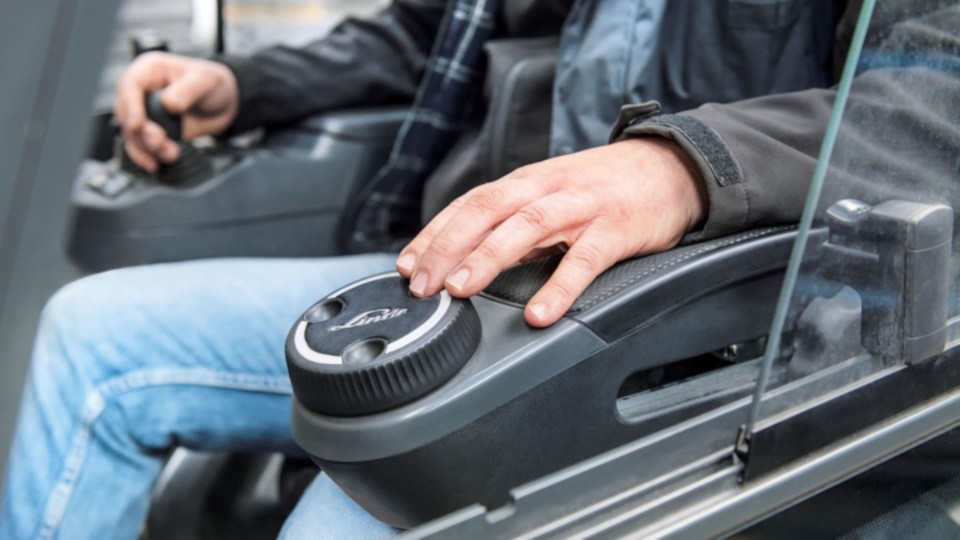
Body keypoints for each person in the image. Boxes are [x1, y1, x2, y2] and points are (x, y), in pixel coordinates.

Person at [3, 0, 959, 538]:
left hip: (704, 332)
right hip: (475, 271)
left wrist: (687, 165)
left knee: (337, 525)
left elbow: (935, 94)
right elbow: (423, 35)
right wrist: (249, 84)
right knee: (91, 333)